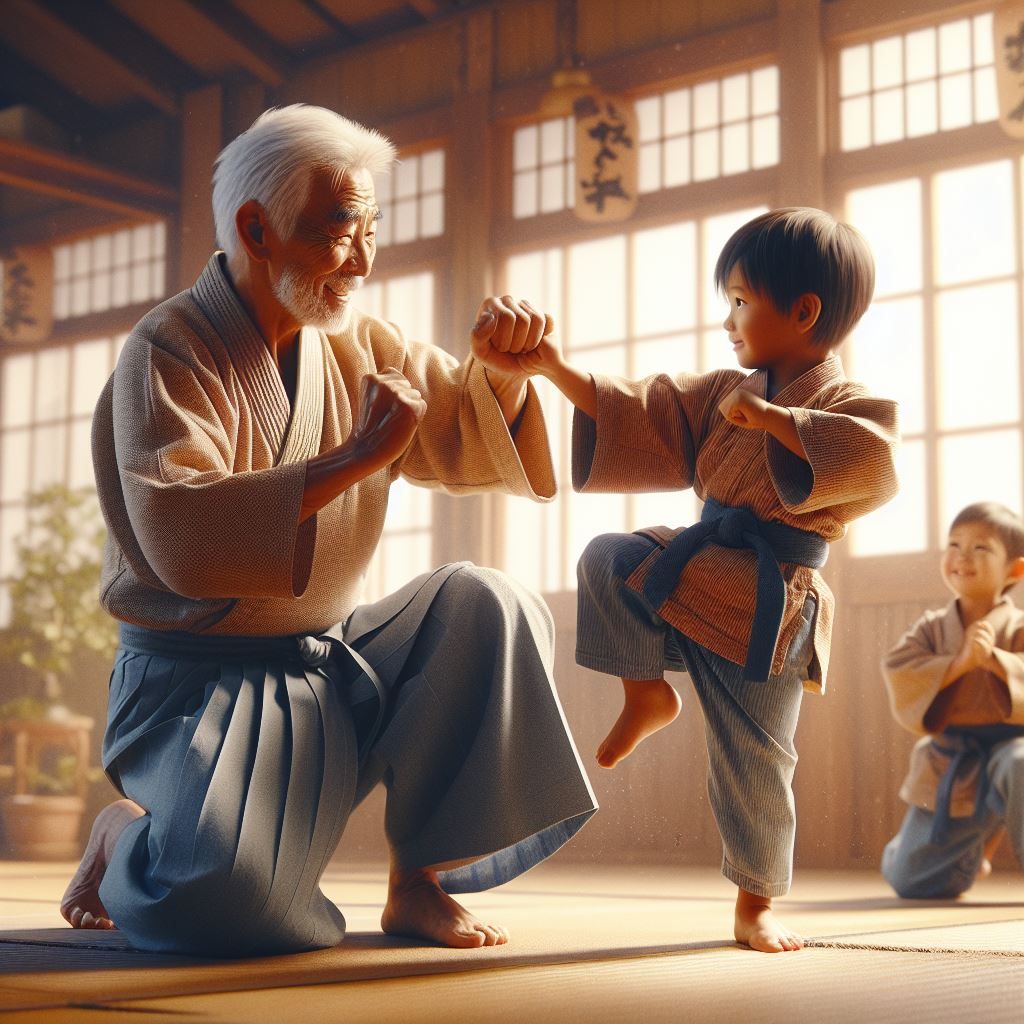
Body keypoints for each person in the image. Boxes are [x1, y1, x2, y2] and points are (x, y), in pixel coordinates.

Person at [59, 104, 597, 958]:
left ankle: (417, 882)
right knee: (218, 904)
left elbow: (466, 429)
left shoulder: (361, 344)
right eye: (340, 226)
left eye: (372, 227)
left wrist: (503, 374)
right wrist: (353, 458)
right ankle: (126, 837)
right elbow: (182, 533)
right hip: (192, 689)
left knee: (487, 603)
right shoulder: (166, 350)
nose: (363, 255)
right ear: (255, 227)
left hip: (330, 663)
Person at [517, 208, 899, 953]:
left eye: (740, 301)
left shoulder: (843, 403)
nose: (727, 320)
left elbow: (874, 464)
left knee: (755, 758)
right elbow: (644, 409)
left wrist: (778, 424)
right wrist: (554, 369)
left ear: (804, 312)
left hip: (771, 601)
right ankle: (646, 693)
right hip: (700, 568)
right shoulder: (728, 389)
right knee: (607, 556)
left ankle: (754, 906)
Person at [880, 501, 1024, 898]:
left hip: (1013, 750)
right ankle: (963, 850)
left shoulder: (1018, 627)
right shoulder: (931, 629)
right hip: (954, 754)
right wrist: (960, 663)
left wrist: (995, 661)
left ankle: (988, 832)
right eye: (954, 545)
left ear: (1015, 569)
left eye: (981, 548)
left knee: (1020, 761)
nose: (962, 557)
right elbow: (900, 668)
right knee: (910, 880)